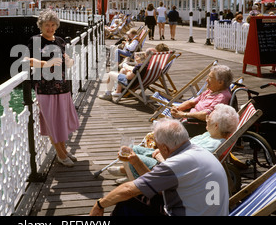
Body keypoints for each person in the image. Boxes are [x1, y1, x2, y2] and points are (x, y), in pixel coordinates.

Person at [89, 118, 230, 216]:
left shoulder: (177, 164)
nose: (157, 149)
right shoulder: (197, 152)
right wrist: (136, 161)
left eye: (157, 146)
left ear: (165, 148)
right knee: (140, 195)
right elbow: (156, 186)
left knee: (127, 202)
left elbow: (128, 190)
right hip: (208, 211)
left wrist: (99, 205)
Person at [108, 104, 239, 183]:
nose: (206, 118)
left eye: (208, 118)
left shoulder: (214, 144)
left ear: (216, 126)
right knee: (131, 148)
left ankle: (133, 176)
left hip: (170, 167)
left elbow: (187, 162)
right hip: (170, 156)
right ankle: (128, 171)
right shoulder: (210, 135)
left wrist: (163, 157)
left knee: (131, 157)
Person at [26, 9, 80, 167]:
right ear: (40, 26)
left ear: (56, 25)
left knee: (61, 120)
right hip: (45, 88)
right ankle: (61, 155)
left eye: (52, 25)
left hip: (62, 87)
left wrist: (69, 61)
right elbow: (27, 60)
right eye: (46, 25)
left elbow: (67, 63)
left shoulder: (60, 41)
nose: (50, 28)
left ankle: (63, 149)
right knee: (52, 122)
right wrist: (46, 63)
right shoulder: (36, 40)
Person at [171, 64, 233, 136]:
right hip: (190, 119)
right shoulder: (211, 91)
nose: (206, 80)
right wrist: (177, 109)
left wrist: (184, 114)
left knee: (167, 131)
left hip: (199, 125)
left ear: (220, 82)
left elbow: (207, 115)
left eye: (210, 78)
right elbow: (192, 102)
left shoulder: (222, 97)